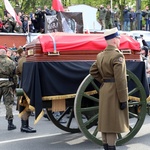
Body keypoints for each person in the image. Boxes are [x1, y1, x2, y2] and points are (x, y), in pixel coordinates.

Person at [89, 27, 129, 150]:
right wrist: (123, 99)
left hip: (105, 89)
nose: (119, 40)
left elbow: (93, 71)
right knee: (112, 124)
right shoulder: (117, 55)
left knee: (105, 121)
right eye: (118, 38)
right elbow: (121, 80)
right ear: (113, 40)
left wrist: (104, 81)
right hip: (115, 91)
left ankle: (106, 146)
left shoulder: (100, 55)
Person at [16, 47, 36, 133]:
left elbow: (17, 72)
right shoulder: (25, 60)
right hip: (27, 84)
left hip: (23, 82)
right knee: (25, 104)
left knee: (24, 105)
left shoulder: (21, 60)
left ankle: (25, 125)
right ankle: (24, 126)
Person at [0, 48, 17, 130]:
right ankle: (10, 123)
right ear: (5, 53)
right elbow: (14, 75)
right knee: (8, 104)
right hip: (7, 84)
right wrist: (14, 86)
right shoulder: (10, 62)